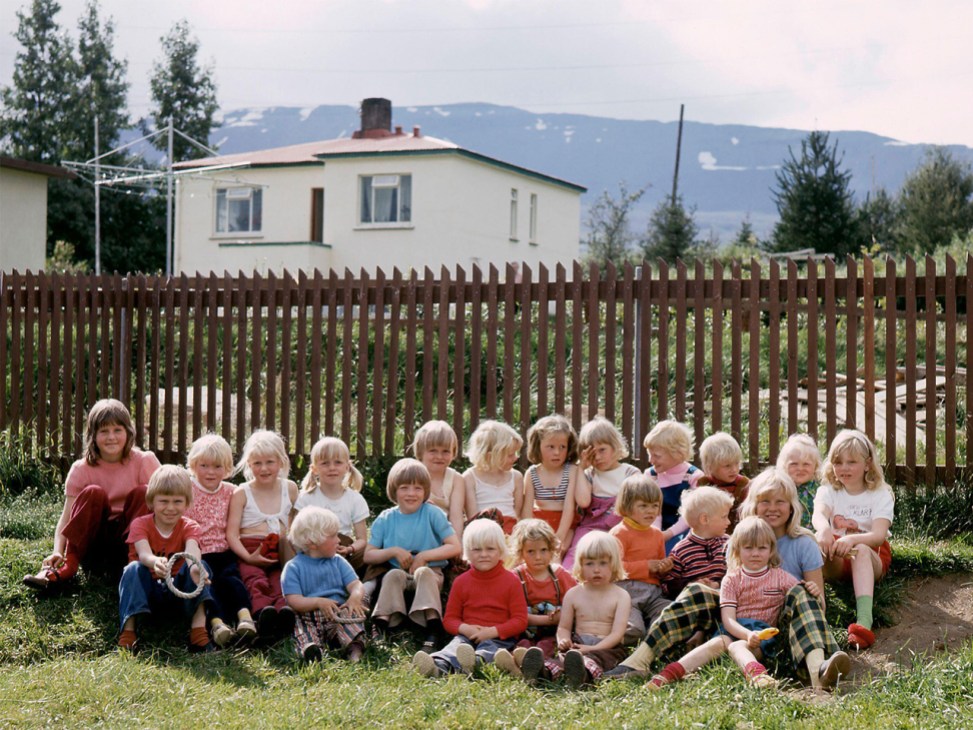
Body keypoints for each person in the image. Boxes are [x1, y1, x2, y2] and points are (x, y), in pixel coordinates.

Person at [608, 468, 849, 692]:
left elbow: (819, 605)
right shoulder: (737, 541)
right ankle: (639, 661)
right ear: (753, 506)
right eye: (765, 501)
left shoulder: (803, 542)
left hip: (781, 627)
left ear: (792, 506)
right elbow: (732, 590)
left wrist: (812, 592)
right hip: (737, 622)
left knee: (800, 593)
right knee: (698, 591)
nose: (772, 508)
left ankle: (818, 671)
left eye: (780, 502)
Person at [647, 516, 813, 689]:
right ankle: (667, 675)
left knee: (738, 646)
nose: (755, 553)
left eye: (762, 548)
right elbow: (728, 619)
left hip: (761, 637)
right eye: (748, 548)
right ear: (737, 550)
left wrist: (810, 588)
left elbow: (800, 592)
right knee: (718, 642)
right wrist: (746, 634)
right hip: (733, 629)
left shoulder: (781, 577)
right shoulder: (731, 579)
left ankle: (759, 676)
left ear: (771, 550)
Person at [24, 398, 161, 591]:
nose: (111, 437)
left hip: (131, 544)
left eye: (117, 430)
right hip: (94, 546)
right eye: (103, 431)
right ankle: (67, 567)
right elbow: (66, 518)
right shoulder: (81, 469)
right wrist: (57, 551)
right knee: (93, 493)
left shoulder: (144, 461)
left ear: (128, 432)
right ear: (93, 436)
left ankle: (136, 566)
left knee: (144, 493)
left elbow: (167, 505)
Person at [364, 458, 461, 650]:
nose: (411, 493)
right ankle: (382, 626)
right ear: (394, 490)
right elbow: (369, 555)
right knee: (392, 575)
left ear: (426, 491)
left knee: (423, 573)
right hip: (400, 575)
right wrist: (392, 551)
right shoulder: (385, 518)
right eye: (404, 487)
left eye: (417, 488)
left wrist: (425, 556)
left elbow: (454, 546)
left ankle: (433, 628)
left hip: (431, 574)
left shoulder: (432, 513)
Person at [412, 519, 528, 677]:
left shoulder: (511, 581)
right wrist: (466, 629)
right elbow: (450, 619)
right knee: (453, 649)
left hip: (499, 638)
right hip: (467, 636)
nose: (484, 554)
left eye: (490, 549)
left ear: (501, 550)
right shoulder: (461, 582)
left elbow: (520, 620)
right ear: (467, 552)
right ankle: (436, 667)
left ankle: (474, 664)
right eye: (477, 550)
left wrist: (492, 632)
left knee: (489, 650)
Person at [117, 465, 214, 652]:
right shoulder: (140, 524)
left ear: (187, 504)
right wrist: (154, 561)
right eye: (164, 501)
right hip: (148, 591)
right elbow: (143, 553)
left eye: (177, 502)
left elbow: (192, 549)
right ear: (151, 502)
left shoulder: (190, 526)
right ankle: (128, 633)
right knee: (132, 569)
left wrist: (194, 568)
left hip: (177, 592)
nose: (170, 508)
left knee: (201, 566)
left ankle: (198, 631)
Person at [813, 429, 895, 651]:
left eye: (851, 462)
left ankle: (864, 621)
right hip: (837, 556)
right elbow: (819, 515)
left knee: (859, 548)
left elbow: (878, 536)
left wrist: (853, 539)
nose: (844, 468)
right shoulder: (828, 490)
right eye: (838, 462)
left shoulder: (880, 493)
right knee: (809, 540)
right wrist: (822, 530)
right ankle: (816, 614)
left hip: (871, 555)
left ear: (868, 464)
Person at [524, 531, 630, 687]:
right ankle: (542, 672)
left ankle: (582, 674)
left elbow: (617, 634)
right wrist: (564, 640)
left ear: (614, 564)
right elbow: (564, 627)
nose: (596, 570)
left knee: (596, 660)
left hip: (607, 646)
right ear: (580, 565)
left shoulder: (621, 596)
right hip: (578, 644)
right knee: (562, 659)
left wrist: (592, 648)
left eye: (603, 563)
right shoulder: (573, 594)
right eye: (589, 563)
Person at [184, 434, 256, 647]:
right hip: (199, 552)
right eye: (204, 465)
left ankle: (245, 619)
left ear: (227, 468)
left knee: (232, 581)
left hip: (224, 551)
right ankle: (217, 624)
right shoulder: (188, 489)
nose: (210, 472)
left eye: (217, 467)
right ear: (193, 465)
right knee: (209, 587)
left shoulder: (232, 492)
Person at [226, 430, 299, 638]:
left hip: (280, 551)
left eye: (270, 462)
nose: (264, 468)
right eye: (257, 463)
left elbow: (295, 526)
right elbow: (232, 534)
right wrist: (248, 557)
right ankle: (263, 614)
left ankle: (284, 615)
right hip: (250, 549)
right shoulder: (242, 493)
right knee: (255, 580)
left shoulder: (290, 489)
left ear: (281, 462)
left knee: (280, 581)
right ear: (249, 464)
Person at [492, 518, 577, 677]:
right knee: (522, 645)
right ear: (521, 553)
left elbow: (577, 602)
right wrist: (547, 619)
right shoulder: (515, 577)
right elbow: (513, 614)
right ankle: (515, 664)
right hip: (524, 631)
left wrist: (564, 615)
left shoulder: (559, 575)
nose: (538, 557)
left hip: (553, 632)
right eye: (531, 552)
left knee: (547, 645)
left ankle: (535, 666)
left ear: (552, 549)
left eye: (543, 550)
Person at [281, 506, 367, 662]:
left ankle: (354, 649)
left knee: (353, 620)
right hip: (308, 617)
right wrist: (317, 602)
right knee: (301, 630)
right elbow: (293, 600)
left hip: (338, 613)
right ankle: (312, 651)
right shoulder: (293, 567)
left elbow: (356, 584)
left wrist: (354, 597)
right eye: (333, 536)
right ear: (312, 542)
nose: (339, 540)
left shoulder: (338, 561)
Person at [562, 417, 641, 570]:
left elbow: (631, 507)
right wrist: (581, 468)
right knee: (577, 554)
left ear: (615, 446)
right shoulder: (590, 474)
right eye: (592, 452)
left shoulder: (630, 473)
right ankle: (569, 586)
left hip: (620, 528)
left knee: (611, 560)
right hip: (589, 527)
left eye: (602, 450)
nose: (597, 457)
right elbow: (583, 502)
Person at [609, 474, 672, 643]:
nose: (650, 511)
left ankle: (653, 644)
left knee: (668, 614)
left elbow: (657, 569)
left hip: (653, 594)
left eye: (654, 506)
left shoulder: (657, 535)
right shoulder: (619, 533)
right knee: (633, 629)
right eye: (643, 506)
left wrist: (663, 568)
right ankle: (609, 642)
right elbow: (613, 568)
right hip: (626, 593)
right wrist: (647, 566)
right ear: (627, 506)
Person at [294, 436, 369, 575]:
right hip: (314, 548)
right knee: (289, 544)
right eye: (325, 463)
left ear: (347, 467)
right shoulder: (306, 498)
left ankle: (366, 588)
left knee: (372, 553)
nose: (332, 468)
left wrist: (350, 549)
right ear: (314, 469)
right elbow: (297, 534)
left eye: (338, 462)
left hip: (344, 548)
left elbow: (362, 539)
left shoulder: (355, 499)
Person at [661, 486, 733, 600]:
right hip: (695, 603)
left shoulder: (728, 543)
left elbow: (737, 572)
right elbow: (666, 586)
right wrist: (692, 585)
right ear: (704, 519)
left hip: (725, 599)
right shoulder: (681, 551)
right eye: (724, 517)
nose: (728, 522)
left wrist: (717, 584)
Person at [521, 415, 580, 551]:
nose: (557, 452)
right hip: (540, 526)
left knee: (560, 552)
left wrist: (559, 536)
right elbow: (527, 510)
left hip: (566, 524)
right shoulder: (532, 473)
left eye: (562, 447)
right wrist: (530, 534)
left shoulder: (571, 470)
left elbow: (569, 507)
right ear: (538, 446)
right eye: (550, 447)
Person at [643, 420, 702, 553]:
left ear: (677, 453)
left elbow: (690, 515)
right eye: (649, 454)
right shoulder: (651, 475)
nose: (650, 460)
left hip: (683, 530)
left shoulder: (694, 476)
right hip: (654, 527)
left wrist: (668, 534)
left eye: (656, 456)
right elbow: (652, 508)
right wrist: (656, 533)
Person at [461, 420, 525, 535]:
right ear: (491, 456)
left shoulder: (516, 477)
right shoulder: (469, 477)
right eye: (510, 455)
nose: (516, 458)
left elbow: (517, 513)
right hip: (483, 530)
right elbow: (473, 517)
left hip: (511, 530)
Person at [411, 420, 465, 537]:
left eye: (446, 451)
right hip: (416, 530)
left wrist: (456, 544)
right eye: (433, 451)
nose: (439, 457)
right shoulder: (412, 474)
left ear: (453, 452)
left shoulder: (456, 479)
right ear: (421, 451)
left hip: (446, 533)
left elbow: (456, 517)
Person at [696, 432, 749, 531]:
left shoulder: (744, 485)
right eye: (727, 466)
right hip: (709, 534)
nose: (734, 469)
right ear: (711, 466)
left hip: (738, 535)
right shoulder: (704, 484)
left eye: (736, 463)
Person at [776, 433, 822, 529]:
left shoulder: (821, 489)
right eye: (794, 464)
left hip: (815, 538)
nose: (800, 468)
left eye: (806, 464)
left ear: (815, 466)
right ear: (784, 465)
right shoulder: (781, 489)